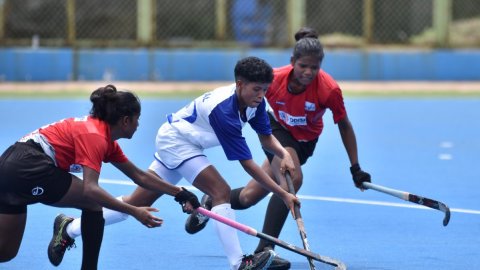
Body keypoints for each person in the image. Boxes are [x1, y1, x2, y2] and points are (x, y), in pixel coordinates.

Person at [51, 56, 300, 270]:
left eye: (265, 89)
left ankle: (69, 228)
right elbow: (247, 165)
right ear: (239, 84)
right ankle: (239, 263)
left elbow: (267, 137)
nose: (261, 95)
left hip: (180, 140)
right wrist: (283, 193)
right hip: (177, 142)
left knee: (138, 203)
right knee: (220, 191)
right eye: (257, 89)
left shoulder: (256, 102)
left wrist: (283, 153)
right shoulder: (224, 111)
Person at [185, 27, 372, 270]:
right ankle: (265, 250)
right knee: (293, 178)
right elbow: (242, 94)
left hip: (306, 143)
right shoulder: (275, 80)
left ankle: (210, 202)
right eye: (303, 65)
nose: (308, 72)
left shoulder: (329, 90)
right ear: (293, 62)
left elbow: (344, 126)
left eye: (314, 67)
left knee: (247, 197)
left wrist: (355, 167)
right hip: (276, 130)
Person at [0, 85, 200, 270]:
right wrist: (134, 211)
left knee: (6, 252)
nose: (139, 124)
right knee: (92, 202)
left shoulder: (105, 139)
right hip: (27, 167)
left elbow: (139, 176)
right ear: (125, 121)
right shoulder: (94, 135)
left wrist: (179, 192)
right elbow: (90, 189)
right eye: (137, 118)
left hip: (11, 165)